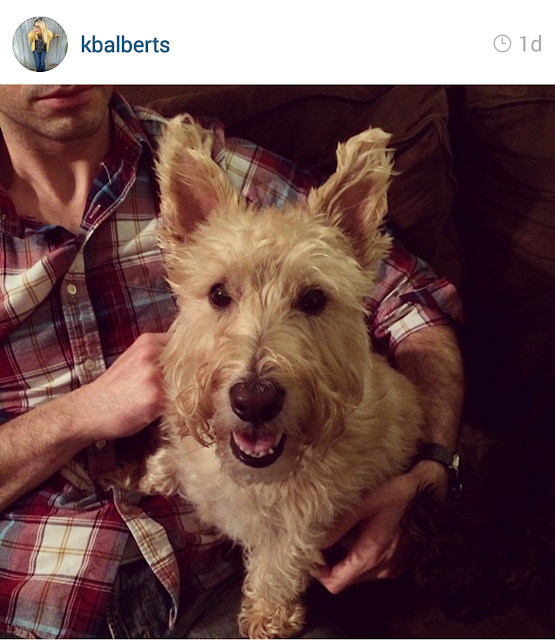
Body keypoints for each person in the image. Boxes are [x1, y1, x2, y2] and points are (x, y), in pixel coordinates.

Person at [0, 85, 464, 639]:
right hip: (31, 583)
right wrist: (79, 415)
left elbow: (414, 302)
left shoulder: (215, 164)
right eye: (221, 295)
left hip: (211, 580)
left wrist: (434, 468)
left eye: (309, 302)